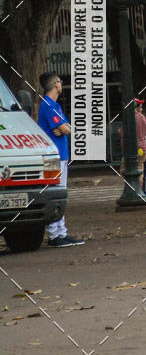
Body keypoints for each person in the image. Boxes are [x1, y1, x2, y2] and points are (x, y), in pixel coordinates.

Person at [37, 73, 84, 247]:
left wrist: (64, 128)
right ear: (56, 84)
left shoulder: (54, 105)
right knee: (55, 194)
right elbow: (65, 128)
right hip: (53, 156)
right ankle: (55, 234)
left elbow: (66, 127)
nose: (61, 84)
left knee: (59, 194)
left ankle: (60, 232)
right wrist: (64, 128)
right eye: (60, 82)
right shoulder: (48, 105)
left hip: (60, 155)